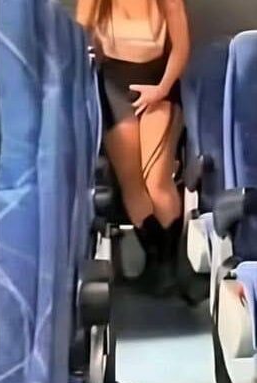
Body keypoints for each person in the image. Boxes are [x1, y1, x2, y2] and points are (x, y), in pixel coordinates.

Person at [76, 0, 190, 296]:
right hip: (114, 88)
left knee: (157, 181)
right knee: (133, 185)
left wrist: (161, 89)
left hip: (160, 85)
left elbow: (181, 48)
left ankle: (169, 267)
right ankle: (156, 262)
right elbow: (77, 37)